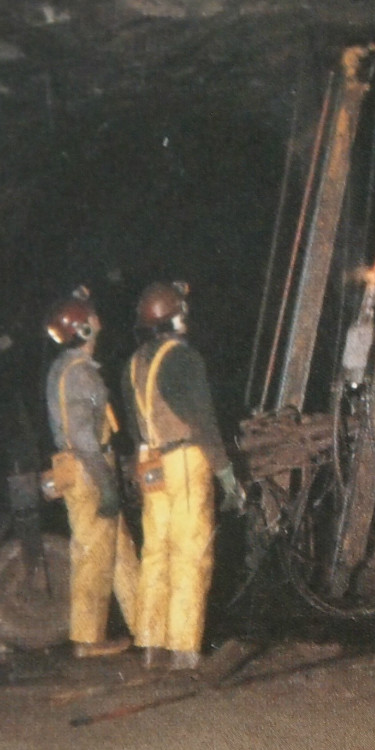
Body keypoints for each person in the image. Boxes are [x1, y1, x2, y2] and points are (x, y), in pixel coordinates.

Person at [121, 281, 244, 671]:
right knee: (191, 552)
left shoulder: (133, 365)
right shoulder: (184, 359)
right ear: (175, 316)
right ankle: (185, 648)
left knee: (156, 553)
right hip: (185, 462)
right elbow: (204, 422)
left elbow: (134, 426)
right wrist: (226, 473)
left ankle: (151, 642)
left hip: (150, 464)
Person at [43, 286, 140, 658]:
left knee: (119, 554)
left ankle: (145, 626)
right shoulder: (80, 375)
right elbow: (84, 438)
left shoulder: (64, 368)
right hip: (89, 470)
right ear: (83, 331)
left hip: (87, 466)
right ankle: (87, 639)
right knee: (93, 556)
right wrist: (107, 487)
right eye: (91, 318)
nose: (98, 321)